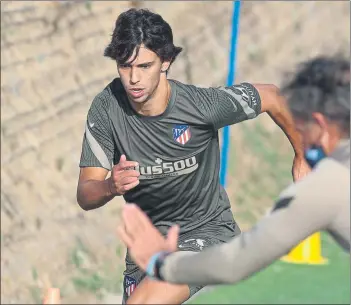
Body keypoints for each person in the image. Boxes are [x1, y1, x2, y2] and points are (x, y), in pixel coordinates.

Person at [77, 8, 309, 304]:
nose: (133, 78)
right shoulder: (106, 108)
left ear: (166, 61)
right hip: (147, 244)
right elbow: (85, 194)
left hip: (208, 232)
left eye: (145, 66)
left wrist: (301, 155)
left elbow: (273, 97)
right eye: (125, 66)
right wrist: (110, 186)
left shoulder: (201, 106)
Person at [116, 55, 350, 289]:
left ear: (320, 126)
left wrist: (162, 263)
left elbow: (234, 262)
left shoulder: (325, 184)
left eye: (301, 132)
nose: (302, 143)